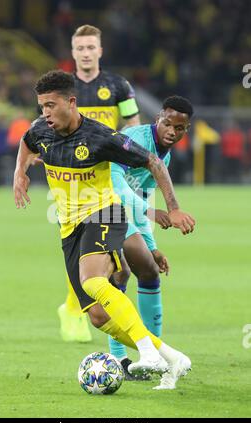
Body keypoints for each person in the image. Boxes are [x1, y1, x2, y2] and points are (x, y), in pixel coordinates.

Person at [13, 70, 195, 389]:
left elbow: (154, 162)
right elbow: (26, 142)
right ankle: (170, 356)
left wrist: (174, 207)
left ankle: (146, 353)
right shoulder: (41, 129)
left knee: (95, 280)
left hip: (105, 213)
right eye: (41, 106)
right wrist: (20, 172)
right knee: (98, 316)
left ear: (71, 102)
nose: (45, 114)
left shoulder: (101, 137)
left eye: (51, 106)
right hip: (70, 227)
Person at [58, 24, 141, 343]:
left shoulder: (118, 85)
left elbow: (133, 125)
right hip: (76, 175)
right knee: (81, 243)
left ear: (100, 51)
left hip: (112, 173)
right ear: (73, 52)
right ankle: (79, 308)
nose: (86, 53)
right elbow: (45, 123)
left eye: (91, 47)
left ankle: (97, 303)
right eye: (80, 48)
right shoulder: (65, 87)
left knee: (116, 242)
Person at [108, 96, 193, 380]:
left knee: (148, 270)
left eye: (178, 128)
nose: (171, 131)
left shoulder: (163, 154)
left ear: (186, 130)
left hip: (119, 211)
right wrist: (151, 212)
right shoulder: (135, 138)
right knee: (121, 273)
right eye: (167, 123)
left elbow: (141, 194)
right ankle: (118, 359)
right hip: (98, 205)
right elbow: (114, 180)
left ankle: (154, 355)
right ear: (158, 118)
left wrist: (153, 247)